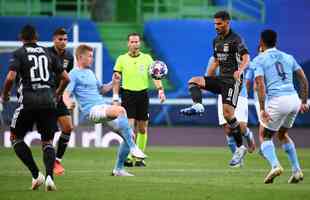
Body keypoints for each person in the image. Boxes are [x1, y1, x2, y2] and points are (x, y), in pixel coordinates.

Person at [0, 25, 70, 191]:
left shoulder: (19, 53)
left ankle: (35, 174)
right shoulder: (48, 52)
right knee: (47, 142)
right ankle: (50, 178)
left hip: (28, 101)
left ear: (21, 38)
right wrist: (58, 93)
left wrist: (5, 94)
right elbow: (66, 78)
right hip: (48, 101)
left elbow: (10, 77)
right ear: (36, 37)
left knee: (15, 138)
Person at [63, 44, 146, 176]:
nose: (92, 59)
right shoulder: (73, 74)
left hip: (101, 106)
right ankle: (133, 148)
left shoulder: (90, 72)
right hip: (92, 111)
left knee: (129, 135)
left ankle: (118, 169)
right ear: (80, 57)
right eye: (89, 56)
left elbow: (101, 90)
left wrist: (112, 82)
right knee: (121, 110)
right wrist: (68, 103)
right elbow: (65, 94)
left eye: (92, 56)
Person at [180, 11, 250, 167]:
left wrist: (241, 70)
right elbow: (216, 61)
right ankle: (198, 105)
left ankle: (240, 147)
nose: (216, 27)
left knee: (228, 115)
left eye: (219, 24)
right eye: (214, 24)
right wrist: (207, 79)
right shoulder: (216, 41)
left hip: (233, 81)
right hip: (220, 79)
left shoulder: (236, 39)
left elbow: (246, 58)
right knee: (194, 81)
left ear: (227, 23)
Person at [253, 29, 309, 184]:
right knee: (282, 134)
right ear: (276, 41)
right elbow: (303, 80)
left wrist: (263, 108)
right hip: (293, 99)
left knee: (264, 135)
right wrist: (303, 102)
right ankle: (297, 171)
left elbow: (260, 84)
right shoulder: (288, 57)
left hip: (277, 101)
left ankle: (275, 165)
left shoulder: (259, 59)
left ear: (261, 42)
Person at [112, 32, 166, 167]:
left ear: (139, 43)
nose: (135, 44)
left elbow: (155, 76)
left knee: (142, 128)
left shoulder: (147, 58)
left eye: (137, 42)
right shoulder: (121, 59)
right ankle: (129, 157)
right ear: (128, 44)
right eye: (132, 42)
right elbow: (116, 79)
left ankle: (140, 158)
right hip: (128, 95)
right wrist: (115, 96)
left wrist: (160, 90)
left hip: (142, 95)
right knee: (129, 128)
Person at [205, 57, 256, 167]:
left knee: (241, 127)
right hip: (223, 94)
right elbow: (209, 76)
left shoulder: (241, 56)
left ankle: (248, 135)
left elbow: (251, 67)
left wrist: (246, 79)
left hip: (240, 93)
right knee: (228, 130)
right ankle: (238, 159)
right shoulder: (214, 58)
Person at [47, 28, 74, 176]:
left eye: (65, 39)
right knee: (49, 133)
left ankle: (57, 161)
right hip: (44, 97)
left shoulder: (69, 57)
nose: (63, 42)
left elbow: (65, 80)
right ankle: (50, 164)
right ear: (54, 40)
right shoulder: (46, 54)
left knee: (68, 127)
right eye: (60, 39)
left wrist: (64, 97)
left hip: (57, 97)